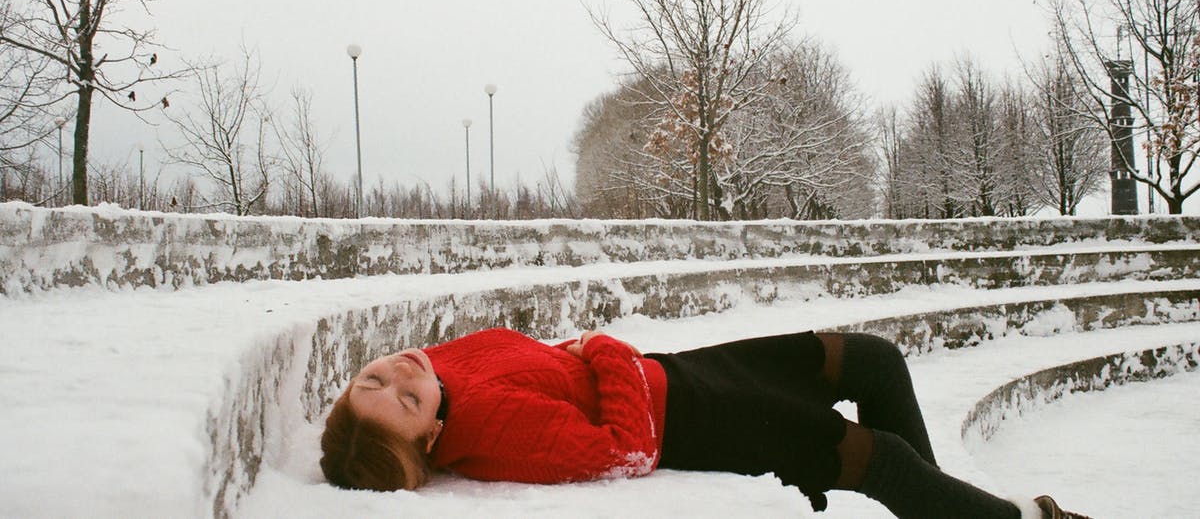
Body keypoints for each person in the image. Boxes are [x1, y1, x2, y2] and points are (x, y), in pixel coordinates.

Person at [320, 327, 1089, 519]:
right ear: (427, 438)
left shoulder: (445, 367)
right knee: (874, 455)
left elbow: (547, 362)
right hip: (699, 416)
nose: (402, 372)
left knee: (875, 361)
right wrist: (605, 348)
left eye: (375, 375)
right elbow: (622, 450)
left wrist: (595, 358)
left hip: (685, 370)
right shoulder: (488, 430)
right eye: (402, 399)